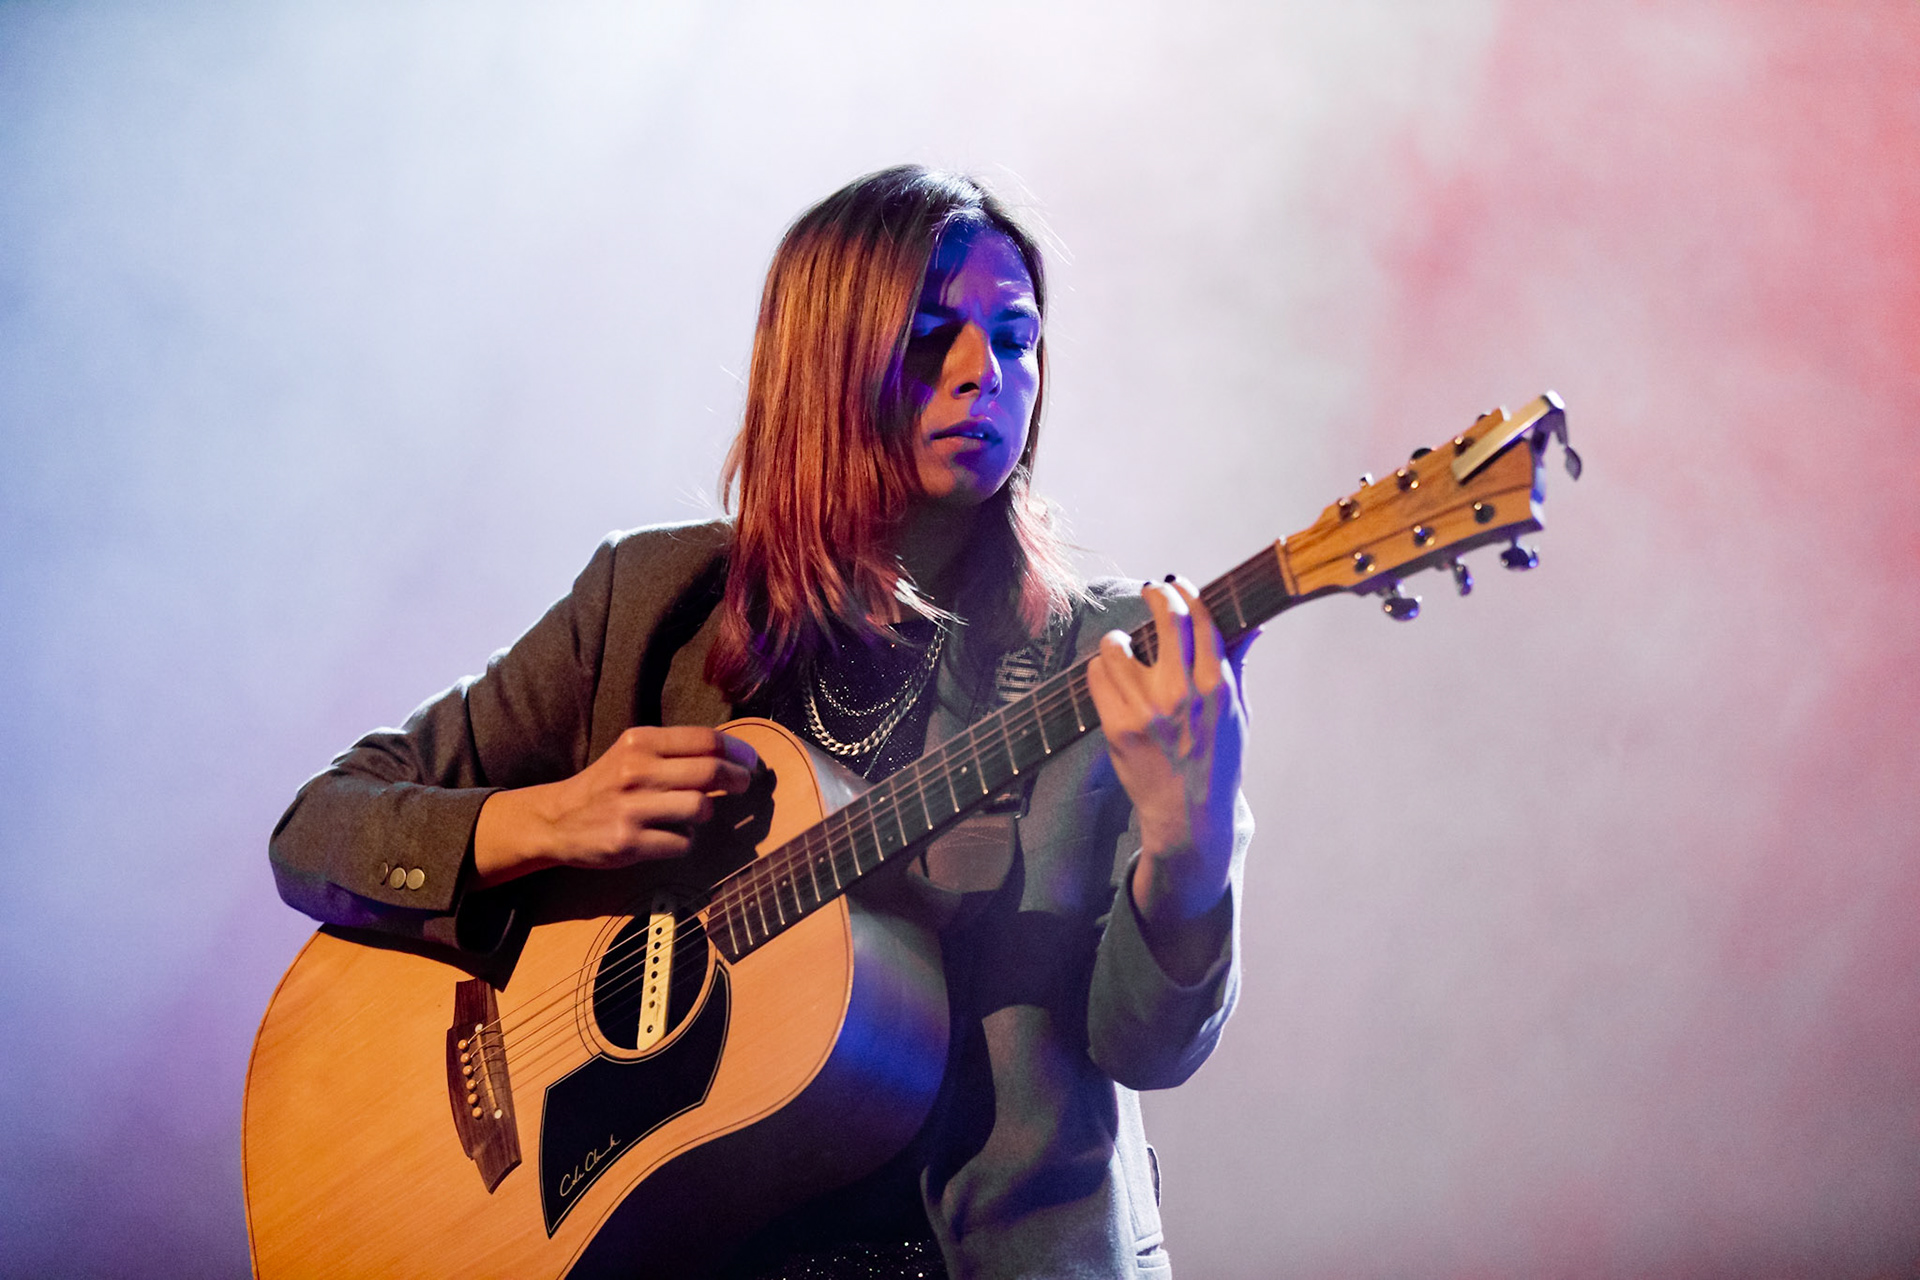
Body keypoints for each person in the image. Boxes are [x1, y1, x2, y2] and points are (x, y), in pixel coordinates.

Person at [270, 165, 1256, 1280]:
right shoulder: (649, 605)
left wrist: (1191, 846)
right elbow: (319, 829)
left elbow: (1148, 1046)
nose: (986, 372)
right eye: (932, 336)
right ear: (824, 362)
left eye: (1018, 338)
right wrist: (552, 818)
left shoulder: (1106, 656)